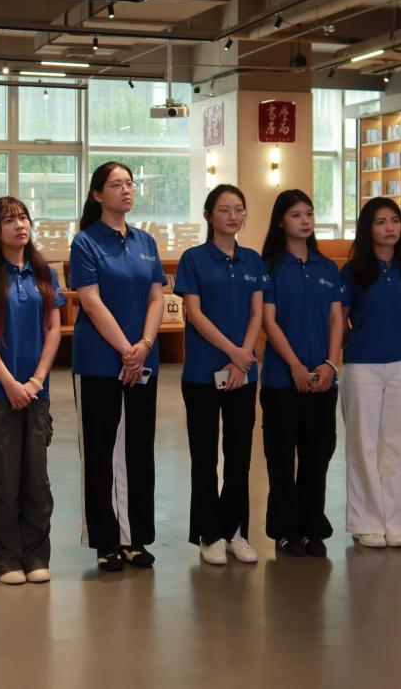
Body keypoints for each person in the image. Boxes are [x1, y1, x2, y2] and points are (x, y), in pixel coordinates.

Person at [69, 162, 165, 573]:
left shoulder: (146, 241)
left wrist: (144, 346)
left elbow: (156, 297)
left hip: (143, 359)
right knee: (100, 452)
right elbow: (91, 301)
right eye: (116, 184)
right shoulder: (85, 242)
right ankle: (106, 541)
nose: (126, 190)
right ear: (97, 194)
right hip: (98, 361)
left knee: (139, 451)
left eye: (129, 183)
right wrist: (127, 351)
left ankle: (134, 537)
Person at [0, 196, 64, 585]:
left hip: (36, 391)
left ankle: (36, 555)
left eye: (23, 217)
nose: (20, 225)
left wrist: (36, 380)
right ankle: (5, 560)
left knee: (37, 479)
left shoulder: (44, 272)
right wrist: (8, 381)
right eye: (9, 220)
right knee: (2, 480)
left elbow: (54, 329)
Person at [175, 184, 266, 566]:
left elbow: (257, 313)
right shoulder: (193, 259)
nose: (233, 216)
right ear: (209, 215)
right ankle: (208, 534)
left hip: (243, 374)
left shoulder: (253, 260)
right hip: (202, 373)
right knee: (204, 457)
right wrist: (234, 352)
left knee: (239, 456)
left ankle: (236, 532)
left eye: (239, 209)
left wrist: (243, 357)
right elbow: (194, 314)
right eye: (225, 209)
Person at [259, 190, 347, 558]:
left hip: (323, 379)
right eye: (296, 214)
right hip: (282, 379)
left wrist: (330, 364)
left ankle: (313, 528)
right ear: (281, 221)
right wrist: (295, 365)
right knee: (281, 458)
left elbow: (337, 318)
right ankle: (285, 530)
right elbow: (269, 321)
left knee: (317, 455)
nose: (305, 220)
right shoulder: (269, 266)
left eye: (309, 213)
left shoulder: (327, 268)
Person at [340, 197, 401, 549]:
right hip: (362, 366)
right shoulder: (352, 272)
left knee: (397, 446)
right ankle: (366, 523)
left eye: (394, 220)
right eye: (380, 222)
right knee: (363, 445)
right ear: (368, 228)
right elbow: (340, 321)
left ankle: (393, 522)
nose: (390, 228)